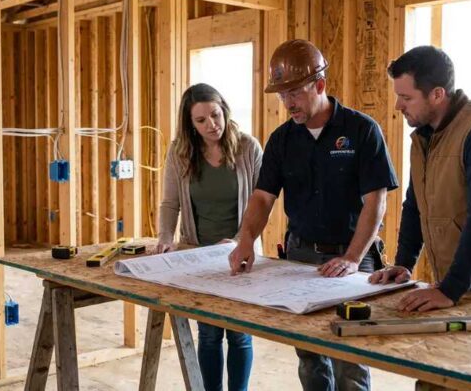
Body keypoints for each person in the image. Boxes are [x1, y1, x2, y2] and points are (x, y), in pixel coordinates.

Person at [228, 39, 398, 391]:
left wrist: (352, 257)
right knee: (309, 356)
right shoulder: (281, 140)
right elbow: (262, 198)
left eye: (295, 93)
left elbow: (375, 202)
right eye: (282, 95)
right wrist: (245, 240)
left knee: (348, 357)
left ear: (319, 86)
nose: (288, 103)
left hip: (352, 256)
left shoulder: (361, 130)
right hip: (300, 255)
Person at [370, 45, 471, 311]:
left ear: (437, 94)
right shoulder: (424, 137)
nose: (397, 105)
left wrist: (450, 288)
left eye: (406, 97)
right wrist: (403, 264)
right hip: (455, 281)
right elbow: (415, 206)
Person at [156, 83, 262, 391]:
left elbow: (262, 201)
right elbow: (170, 203)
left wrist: (242, 240)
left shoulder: (248, 147)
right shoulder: (180, 152)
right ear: (190, 124)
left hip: (241, 252)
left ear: (224, 111)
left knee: (240, 334)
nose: (211, 125)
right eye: (201, 121)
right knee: (210, 333)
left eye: (215, 115)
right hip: (199, 254)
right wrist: (165, 236)